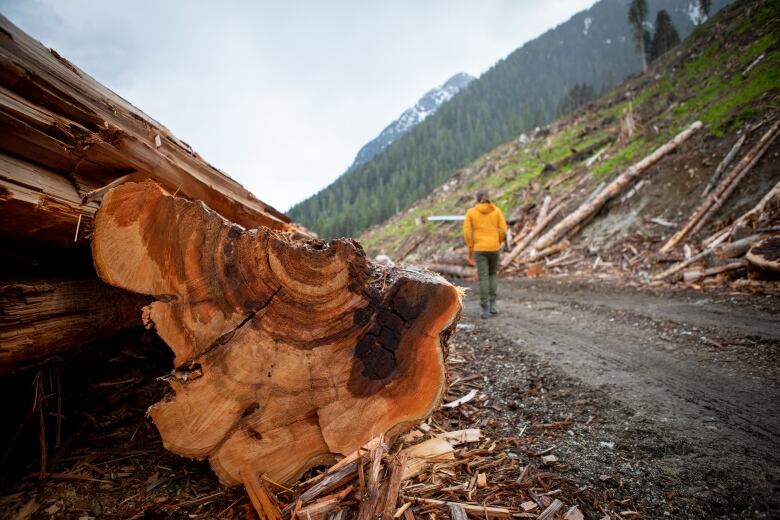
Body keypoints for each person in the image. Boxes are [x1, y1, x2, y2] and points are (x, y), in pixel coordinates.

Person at [463, 191, 507, 319]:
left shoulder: (471, 212)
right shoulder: (497, 211)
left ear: (477, 200)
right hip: (494, 248)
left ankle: (484, 308)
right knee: (492, 274)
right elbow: (503, 229)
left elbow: (467, 233)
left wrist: (471, 246)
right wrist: (497, 241)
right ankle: (493, 306)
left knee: (483, 277)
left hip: (479, 248)